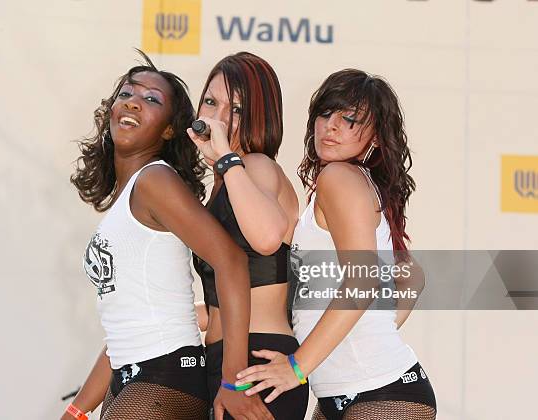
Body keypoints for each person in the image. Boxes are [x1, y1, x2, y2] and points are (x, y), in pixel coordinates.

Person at [62, 50, 271, 420]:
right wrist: (78, 410)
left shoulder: (155, 180)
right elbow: (122, 329)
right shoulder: (132, 195)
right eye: (126, 93)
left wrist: (233, 382)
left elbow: (232, 261)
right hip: (132, 378)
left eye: (151, 99)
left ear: (170, 128)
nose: (133, 103)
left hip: (163, 378)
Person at [235, 69, 437, 420]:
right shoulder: (353, 184)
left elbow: (363, 280)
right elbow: (411, 277)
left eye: (350, 120)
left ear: (375, 137)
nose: (330, 125)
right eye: (325, 114)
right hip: (352, 395)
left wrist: (297, 367)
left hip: (379, 394)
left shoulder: (339, 178)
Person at [187, 52, 308, 419]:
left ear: (261, 114)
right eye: (211, 102)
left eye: (237, 109)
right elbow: (223, 298)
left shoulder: (257, 166)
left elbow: (267, 237)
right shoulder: (225, 183)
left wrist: (225, 156)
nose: (220, 117)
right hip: (221, 363)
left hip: (254, 365)